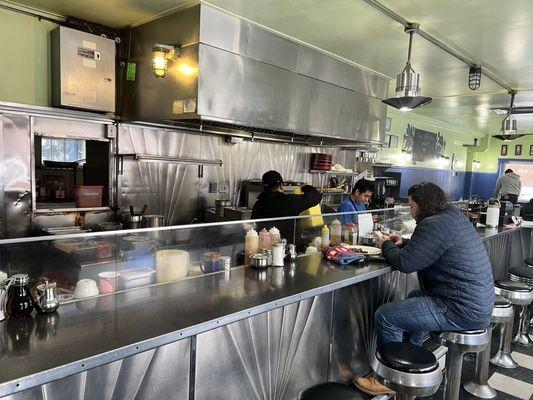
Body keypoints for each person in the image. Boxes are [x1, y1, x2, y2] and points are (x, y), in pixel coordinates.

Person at [354, 182, 494, 396]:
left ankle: (387, 380)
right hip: (477, 304)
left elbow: (406, 265)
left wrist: (385, 244)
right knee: (414, 296)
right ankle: (414, 349)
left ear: (423, 204)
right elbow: (432, 247)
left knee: (385, 316)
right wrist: (404, 243)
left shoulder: (433, 224)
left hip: (459, 308)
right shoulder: (452, 216)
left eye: (411, 206)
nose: (411, 212)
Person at [251, 170, 322, 240]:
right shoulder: (288, 201)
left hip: (263, 246)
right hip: (286, 246)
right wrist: (305, 187)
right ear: (281, 185)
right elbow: (316, 196)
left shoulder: (257, 204)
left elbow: (254, 227)